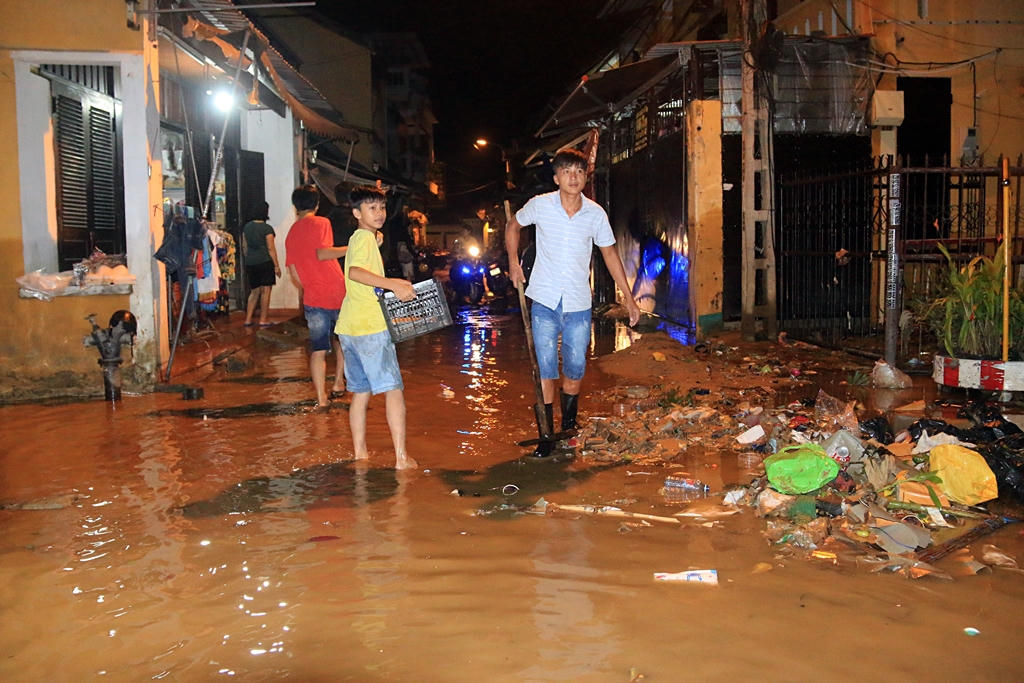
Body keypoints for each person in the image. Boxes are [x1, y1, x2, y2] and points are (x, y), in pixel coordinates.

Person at [506, 148, 641, 457]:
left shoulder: (595, 214)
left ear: (585, 178)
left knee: (576, 368)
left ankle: (568, 425)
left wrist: (629, 298)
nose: (573, 177)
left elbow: (609, 254)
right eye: (567, 172)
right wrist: (513, 262)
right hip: (542, 298)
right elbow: (513, 225)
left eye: (579, 172)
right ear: (556, 178)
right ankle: (546, 434)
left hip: (578, 302)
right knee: (546, 368)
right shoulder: (540, 206)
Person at [335, 186, 418, 470]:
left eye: (381, 207)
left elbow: (359, 261)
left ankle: (360, 454)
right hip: (370, 327)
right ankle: (401, 458)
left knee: (360, 392)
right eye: (371, 208)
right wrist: (393, 283)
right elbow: (355, 272)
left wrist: (376, 238)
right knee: (393, 390)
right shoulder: (363, 239)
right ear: (357, 213)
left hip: (349, 327)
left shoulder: (364, 237)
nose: (379, 213)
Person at [284, 185, 349, 409]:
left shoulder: (291, 233)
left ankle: (321, 398)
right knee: (341, 341)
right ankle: (339, 382)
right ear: (317, 204)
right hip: (337, 291)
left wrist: (310, 286)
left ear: (295, 207)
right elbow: (323, 252)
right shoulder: (322, 222)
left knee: (318, 350)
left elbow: (293, 272)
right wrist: (350, 248)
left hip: (313, 297)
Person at [242, 202, 281, 327]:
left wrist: (249, 258)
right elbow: (271, 248)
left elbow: (244, 246)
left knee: (254, 292)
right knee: (266, 291)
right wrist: (276, 265)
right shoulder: (267, 229)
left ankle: (248, 319)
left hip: (251, 262)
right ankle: (263, 319)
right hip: (265, 262)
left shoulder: (247, 227)